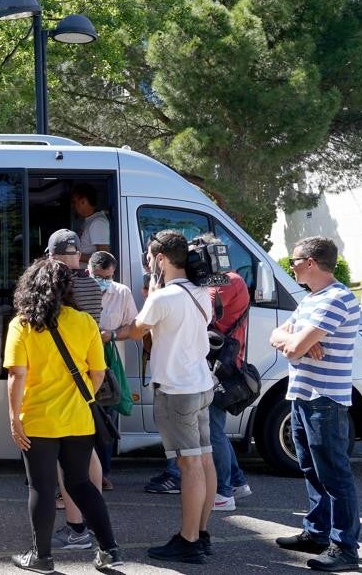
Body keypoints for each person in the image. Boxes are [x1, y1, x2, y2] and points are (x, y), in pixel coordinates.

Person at [5, 259, 122, 572]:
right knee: (81, 483)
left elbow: (17, 375)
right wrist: (80, 395)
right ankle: (109, 550)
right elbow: (98, 374)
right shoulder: (84, 322)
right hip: (78, 418)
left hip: (38, 419)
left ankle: (41, 558)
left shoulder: (22, 324)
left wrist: (14, 418)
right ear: (67, 288)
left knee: (41, 487)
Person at [114, 229, 216, 564]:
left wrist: (104, 333)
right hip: (201, 384)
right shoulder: (202, 291)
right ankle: (201, 534)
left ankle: (187, 542)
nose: (146, 261)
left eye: (148, 256)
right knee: (203, 460)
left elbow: (135, 330)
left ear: (159, 259)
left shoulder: (162, 298)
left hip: (176, 391)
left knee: (188, 465)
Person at [270, 237, 361, 572]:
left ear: (310, 262)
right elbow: (279, 335)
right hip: (303, 395)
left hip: (324, 399)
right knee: (311, 470)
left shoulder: (336, 299)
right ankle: (317, 532)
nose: (290, 266)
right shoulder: (312, 299)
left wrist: (298, 344)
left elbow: (292, 348)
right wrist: (298, 342)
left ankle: (345, 547)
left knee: (334, 474)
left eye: (293, 261)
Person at [144, 236, 253, 510]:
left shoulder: (224, 282)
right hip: (211, 362)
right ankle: (237, 482)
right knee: (214, 428)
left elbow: (208, 313)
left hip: (216, 364)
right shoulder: (219, 281)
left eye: (194, 255)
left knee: (212, 432)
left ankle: (224, 492)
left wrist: (163, 291)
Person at [46, 229, 104, 547]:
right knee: (87, 453)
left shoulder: (55, 286)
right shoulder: (93, 286)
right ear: (79, 254)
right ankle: (93, 519)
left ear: (53, 256)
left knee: (65, 461)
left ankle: (76, 527)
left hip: (57, 382)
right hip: (86, 380)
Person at [88, 251, 136, 490]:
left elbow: (134, 327)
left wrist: (112, 335)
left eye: (107, 276)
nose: (102, 281)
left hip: (109, 366)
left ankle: (103, 474)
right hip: (81, 363)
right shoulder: (78, 288)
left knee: (106, 421)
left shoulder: (121, 292)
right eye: (98, 276)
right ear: (89, 271)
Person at [71, 184, 110, 263]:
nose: (72, 205)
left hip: (89, 274)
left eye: (74, 202)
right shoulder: (89, 220)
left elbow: (103, 258)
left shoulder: (98, 223)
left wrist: (72, 256)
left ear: (83, 201)